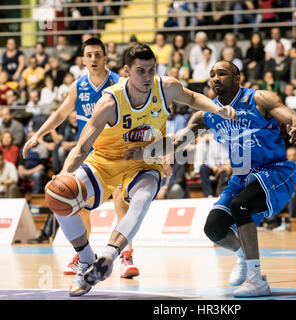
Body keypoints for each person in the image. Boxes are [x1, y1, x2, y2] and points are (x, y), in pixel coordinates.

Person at [45, 44, 237, 297]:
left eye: (151, 70)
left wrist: (216, 108)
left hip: (146, 161)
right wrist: (63, 173)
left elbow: (191, 98)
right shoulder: (109, 102)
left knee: (142, 199)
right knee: (57, 196)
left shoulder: (165, 87)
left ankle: (108, 257)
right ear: (126, 71)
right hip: (105, 160)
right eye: (140, 71)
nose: (147, 77)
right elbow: (81, 149)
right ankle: (85, 259)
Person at [164, 60, 296, 297]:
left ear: (237, 78)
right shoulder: (206, 115)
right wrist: (143, 151)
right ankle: (242, 256)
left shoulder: (259, 99)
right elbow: (177, 144)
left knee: (241, 205)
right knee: (214, 227)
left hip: (274, 170)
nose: (215, 79)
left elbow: (293, 117)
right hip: (241, 179)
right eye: (212, 75)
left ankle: (256, 280)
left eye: (222, 73)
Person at [22, 37, 138, 281]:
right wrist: (38, 134)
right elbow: (61, 113)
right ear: (83, 59)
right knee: (79, 205)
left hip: (117, 153)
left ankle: (126, 255)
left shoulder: (120, 83)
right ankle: (84, 255)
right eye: (90, 55)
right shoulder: (79, 86)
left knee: (121, 201)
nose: (94, 59)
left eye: (98, 54)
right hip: (90, 156)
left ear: (106, 57)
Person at [274, 145, 296, 232]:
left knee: (292, 195)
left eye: (294, 155)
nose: (292, 157)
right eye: (289, 155)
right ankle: (271, 221)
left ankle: (291, 221)